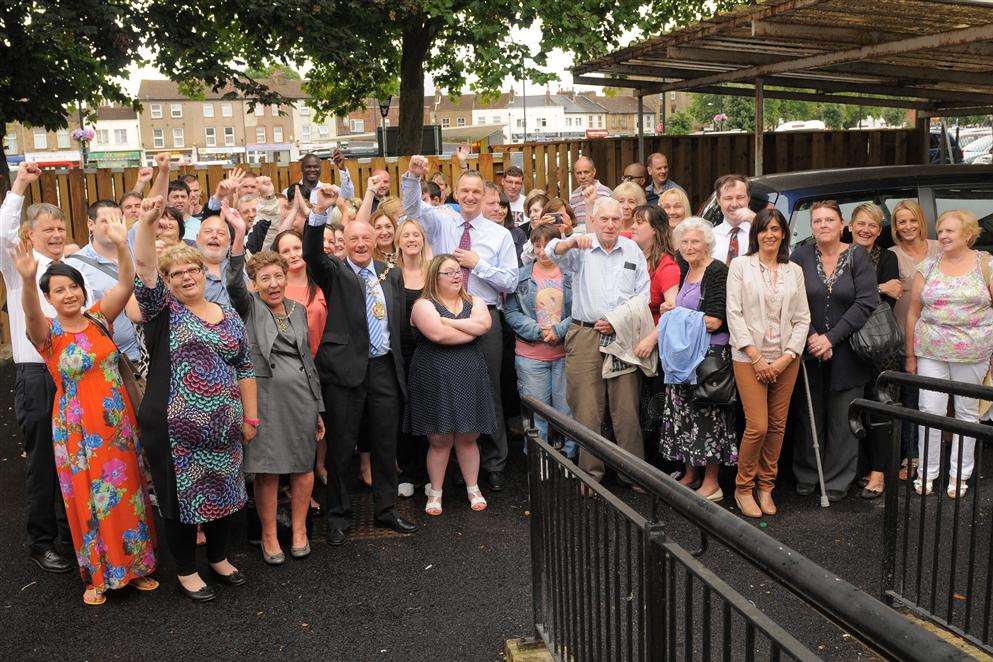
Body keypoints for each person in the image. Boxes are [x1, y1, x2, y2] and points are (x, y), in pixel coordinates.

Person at [12, 214, 158, 606]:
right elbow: (28, 313)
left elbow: (126, 282)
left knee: (128, 492)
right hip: (77, 430)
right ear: (49, 298)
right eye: (58, 290)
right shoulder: (47, 333)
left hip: (117, 423)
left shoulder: (98, 317)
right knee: (88, 499)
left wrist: (123, 245)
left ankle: (136, 567)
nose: (68, 294)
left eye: (72, 286)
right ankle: (98, 574)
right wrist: (28, 280)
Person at [131, 196, 257, 601]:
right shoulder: (162, 311)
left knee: (226, 492)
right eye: (177, 273)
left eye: (193, 269)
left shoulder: (228, 313)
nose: (187, 277)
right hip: (173, 430)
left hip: (225, 429)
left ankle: (218, 558)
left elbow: (245, 367)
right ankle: (186, 570)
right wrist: (147, 225)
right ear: (167, 283)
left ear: (205, 272)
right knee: (180, 501)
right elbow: (145, 268)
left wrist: (250, 419)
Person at [303, 185, 418, 545]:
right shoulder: (334, 272)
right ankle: (338, 517)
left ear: (376, 241)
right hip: (344, 373)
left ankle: (386, 510)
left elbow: (397, 324)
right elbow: (311, 253)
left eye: (367, 238)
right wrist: (319, 214)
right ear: (345, 243)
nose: (361, 244)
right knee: (341, 449)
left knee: (386, 445)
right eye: (354, 239)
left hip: (384, 368)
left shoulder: (390, 274)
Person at [401, 157, 519, 492]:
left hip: (485, 317)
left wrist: (478, 264)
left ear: (484, 196)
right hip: (443, 314)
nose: (469, 196)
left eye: (476, 191)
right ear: (456, 192)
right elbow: (411, 209)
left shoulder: (499, 235)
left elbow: (510, 281)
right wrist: (412, 176)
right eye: (464, 190)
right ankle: (451, 466)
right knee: (449, 392)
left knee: (488, 391)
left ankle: (493, 463)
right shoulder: (441, 222)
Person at [226, 211, 324, 565]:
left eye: (278, 276)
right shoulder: (247, 306)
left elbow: (308, 360)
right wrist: (239, 236)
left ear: (287, 277)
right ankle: (269, 535)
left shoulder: (298, 309)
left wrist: (319, 408)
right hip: (263, 401)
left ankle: (298, 529)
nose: (272, 283)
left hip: (301, 400)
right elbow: (233, 280)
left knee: (302, 466)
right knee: (267, 469)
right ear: (255, 283)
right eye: (264, 278)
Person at [1, 163, 83, 574]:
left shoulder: (71, 270)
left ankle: (77, 533)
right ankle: (42, 541)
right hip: (36, 376)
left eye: (60, 229)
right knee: (42, 461)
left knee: (75, 458)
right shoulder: (20, 268)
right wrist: (19, 185)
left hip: (72, 376)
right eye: (46, 229)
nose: (55, 235)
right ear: (29, 235)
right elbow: (2, 232)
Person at [545, 197, 650, 484]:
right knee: (587, 409)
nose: (610, 225)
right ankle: (590, 476)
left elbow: (643, 295)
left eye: (616, 219)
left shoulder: (632, 251)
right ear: (592, 220)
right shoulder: (581, 246)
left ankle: (635, 477)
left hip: (622, 334)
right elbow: (548, 252)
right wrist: (568, 242)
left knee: (626, 409)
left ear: (622, 221)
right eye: (603, 219)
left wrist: (618, 319)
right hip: (585, 334)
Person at [790, 200, 877, 502]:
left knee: (843, 419)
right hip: (808, 349)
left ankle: (838, 479)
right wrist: (814, 337)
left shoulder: (858, 256)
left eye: (829, 220)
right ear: (811, 226)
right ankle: (806, 473)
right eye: (817, 221)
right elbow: (793, 300)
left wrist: (830, 339)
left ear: (842, 225)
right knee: (807, 414)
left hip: (848, 352)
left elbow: (866, 301)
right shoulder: (799, 256)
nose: (823, 225)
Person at [726, 209, 810, 517]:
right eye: (764, 229)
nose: (770, 234)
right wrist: (757, 357)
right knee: (758, 426)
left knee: (777, 426)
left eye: (776, 229)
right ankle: (743, 487)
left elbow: (802, 319)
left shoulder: (794, 271)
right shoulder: (740, 266)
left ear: (784, 234)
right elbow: (733, 314)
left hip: (786, 359)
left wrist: (787, 356)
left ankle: (766, 486)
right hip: (749, 357)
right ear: (756, 234)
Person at [906, 210, 993, 499]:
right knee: (930, 411)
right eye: (940, 230)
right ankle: (927, 473)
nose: (941, 236)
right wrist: (910, 355)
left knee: (967, 415)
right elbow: (913, 313)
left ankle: (959, 475)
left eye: (949, 231)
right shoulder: (927, 267)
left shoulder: (986, 264)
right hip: (931, 350)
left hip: (973, 353)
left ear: (967, 234)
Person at [406, 254, 497, 515]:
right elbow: (439, 335)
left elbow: (485, 324)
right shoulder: (422, 305)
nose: (457, 276)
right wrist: (467, 329)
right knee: (439, 438)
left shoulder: (475, 300)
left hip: (470, 376)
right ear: (435, 276)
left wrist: (448, 321)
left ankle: (473, 488)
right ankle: (435, 492)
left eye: (458, 271)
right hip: (435, 379)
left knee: (469, 436)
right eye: (449, 272)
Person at [657, 217, 737, 501]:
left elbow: (715, 320)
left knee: (708, 416)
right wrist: (673, 309)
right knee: (684, 418)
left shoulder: (717, 271)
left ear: (707, 244)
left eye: (695, 241)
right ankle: (691, 473)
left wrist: (674, 314)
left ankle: (712, 481)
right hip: (683, 358)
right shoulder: (683, 269)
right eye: (685, 242)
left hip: (708, 358)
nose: (689, 246)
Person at [504, 224, 576, 458]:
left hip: (565, 354)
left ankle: (569, 462)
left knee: (567, 413)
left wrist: (559, 330)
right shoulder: (521, 276)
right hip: (531, 356)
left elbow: (580, 310)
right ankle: (539, 463)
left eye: (548, 245)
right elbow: (511, 313)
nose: (543, 251)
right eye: (537, 246)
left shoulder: (572, 274)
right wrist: (538, 330)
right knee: (536, 416)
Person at [849, 203, 901, 499]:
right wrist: (878, 289)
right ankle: (861, 468)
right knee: (855, 408)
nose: (865, 230)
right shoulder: (843, 253)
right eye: (861, 224)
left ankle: (879, 473)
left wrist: (867, 294)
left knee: (879, 407)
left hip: (879, 346)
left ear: (879, 231)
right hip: (848, 344)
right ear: (851, 225)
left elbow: (890, 300)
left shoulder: (887, 257)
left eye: (872, 225)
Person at [888, 200, 940, 481]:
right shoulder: (892, 255)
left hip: (936, 338)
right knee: (909, 401)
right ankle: (911, 456)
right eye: (901, 222)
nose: (907, 227)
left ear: (921, 221)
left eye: (912, 220)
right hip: (902, 338)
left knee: (933, 402)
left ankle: (934, 457)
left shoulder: (939, 248)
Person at [65, 201, 140, 361]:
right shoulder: (75, 266)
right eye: (105, 221)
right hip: (106, 359)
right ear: (91, 224)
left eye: (118, 221)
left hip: (147, 356)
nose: (113, 226)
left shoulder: (137, 254)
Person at [395, 219, 432, 495]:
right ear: (398, 241)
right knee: (404, 412)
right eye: (405, 235)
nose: (411, 239)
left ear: (422, 239)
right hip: (400, 354)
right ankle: (408, 471)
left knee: (430, 411)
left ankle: (432, 472)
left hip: (431, 352)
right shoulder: (390, 274)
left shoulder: (432, 273)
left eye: (415, 234)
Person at [712, 175, 756, 264]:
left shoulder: (762, 233)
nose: (734, 204)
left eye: (740, 197)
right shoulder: (709, 237)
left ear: (749, 198)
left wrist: (757, 220)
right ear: (719, 201)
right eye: (728, 198)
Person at [484, 183, 526, 265]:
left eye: (503, 207)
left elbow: (522, 262)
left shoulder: (518, 234)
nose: (499, 211)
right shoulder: (481, 231)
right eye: (494, 205)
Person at [196, 215, 233, 307]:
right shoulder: (186, 270)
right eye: (208, 232)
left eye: (221, 233)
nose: (214, 236)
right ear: (197, 238)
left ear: (229, 242)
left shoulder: (239, 269)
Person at [568, 157, 613, 226]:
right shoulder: (574, 196)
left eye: (586, 172)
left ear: (594, 172)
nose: (582, 176)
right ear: (575, 174)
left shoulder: (606, 193)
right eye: (579, 173)